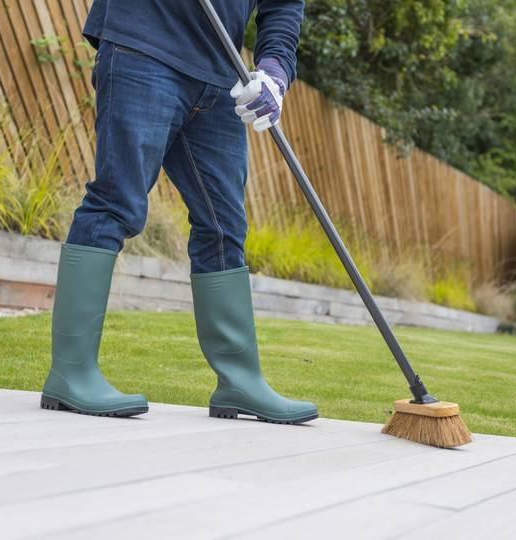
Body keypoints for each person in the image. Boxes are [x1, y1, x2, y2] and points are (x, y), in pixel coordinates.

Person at [40, 0, 318, 424]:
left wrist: (275, 74)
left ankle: (240, 381)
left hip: (220, 74)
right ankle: (71, 373)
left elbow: (283, 6)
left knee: (225, 227)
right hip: (144, 47)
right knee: (117, 202)